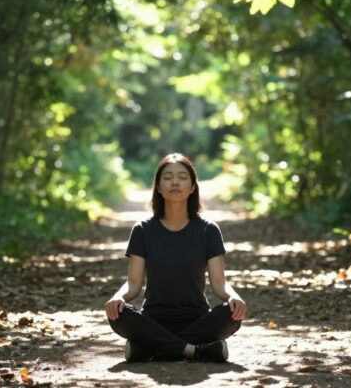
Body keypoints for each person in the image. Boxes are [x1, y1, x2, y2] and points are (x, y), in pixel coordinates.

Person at [105, 153, 247, 363]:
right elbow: (133, 284)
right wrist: (118, 298)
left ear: (192, 187)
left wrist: (234, 297)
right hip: (154, 319)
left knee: (231, 314)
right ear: (159, 187)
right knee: (117, 314)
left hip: (197, 319)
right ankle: (196, 351)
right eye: (168, 177)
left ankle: (149, 348)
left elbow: (219, 283)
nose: (175, 182)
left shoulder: (209, 230)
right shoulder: (142, 230)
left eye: (182, 177)